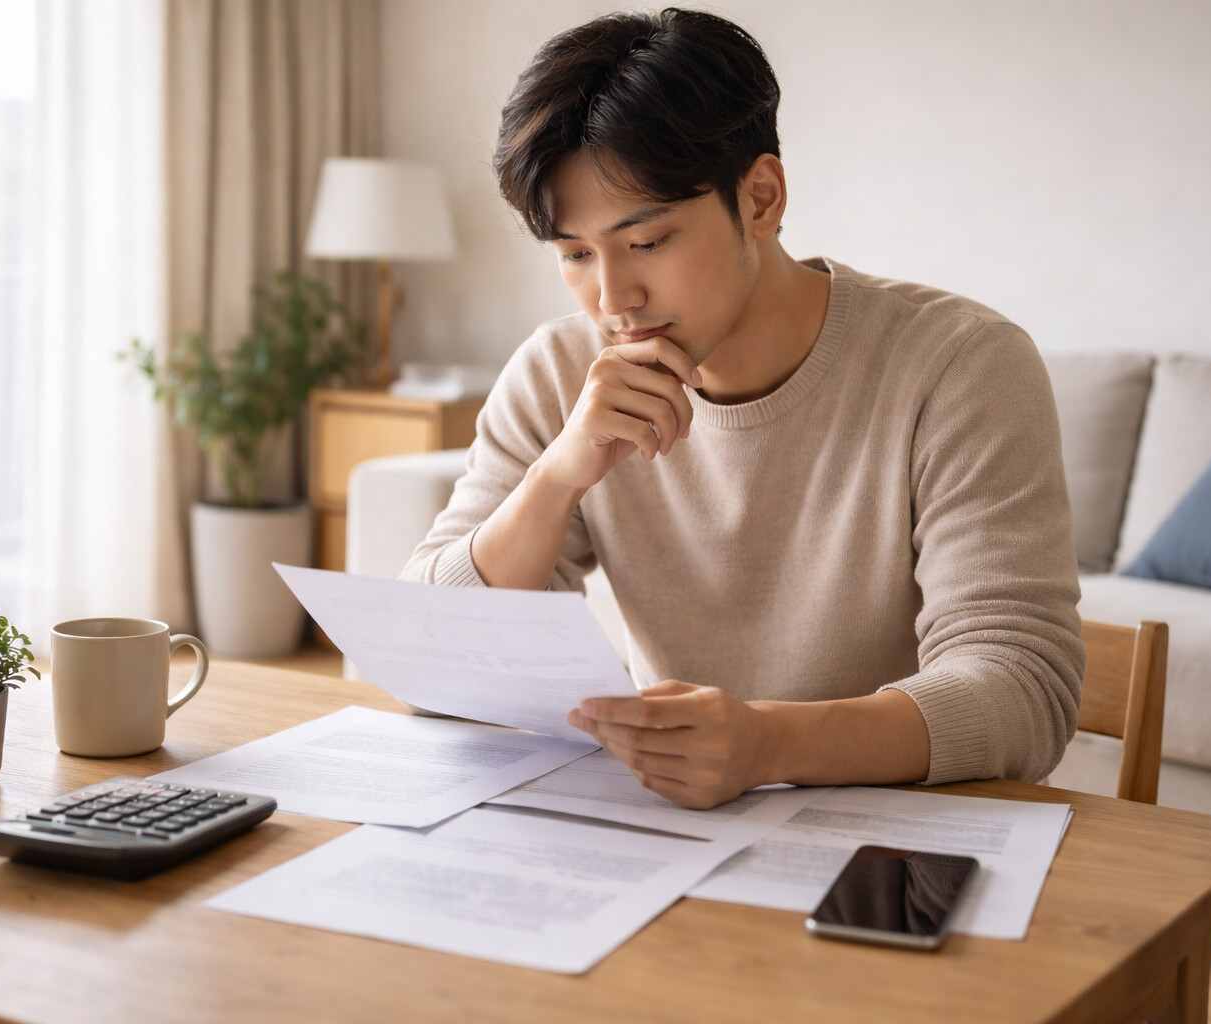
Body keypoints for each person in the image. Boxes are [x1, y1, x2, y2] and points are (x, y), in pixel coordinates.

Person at [401, 8, 1084, 809]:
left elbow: (1022, 688)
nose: (613, 298)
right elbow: (429, 657)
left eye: (647, 241)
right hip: (664, 834)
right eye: (577, 256)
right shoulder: (560, 372)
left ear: (761, 198)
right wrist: (556, 479)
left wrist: (768, 744)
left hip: (894, 837)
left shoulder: (959, 365)